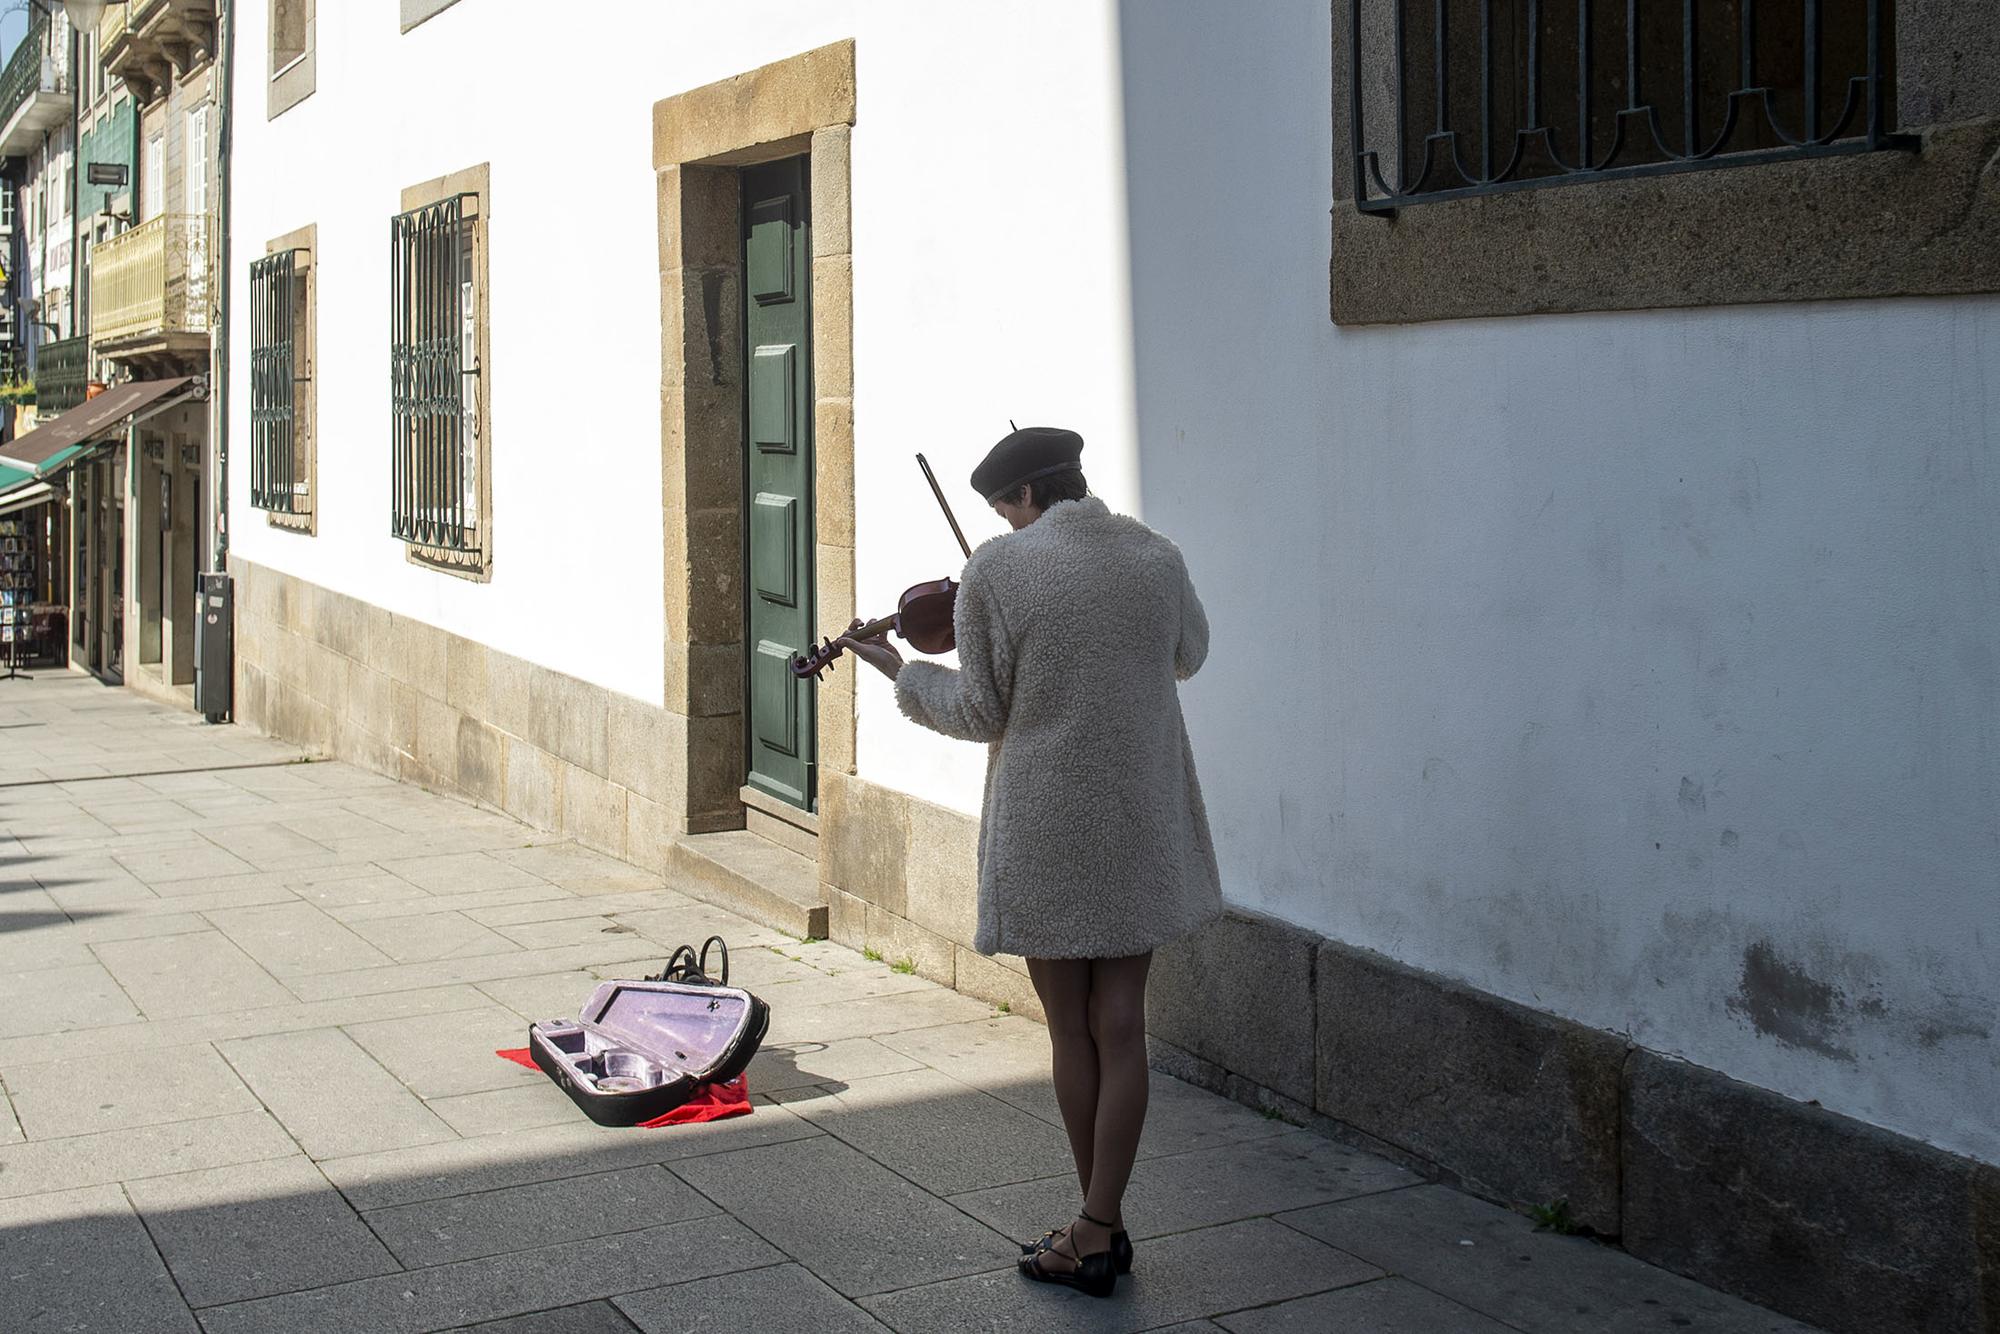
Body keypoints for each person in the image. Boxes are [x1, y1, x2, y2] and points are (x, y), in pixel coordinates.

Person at [836, 425, 1221, 1299]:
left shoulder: (998, 573)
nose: (1003, 526)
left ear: (1019, 499)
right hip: (1139, 816)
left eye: (1001, 511)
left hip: (1049, 824)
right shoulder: (1156, 557)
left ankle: (1094, 1227)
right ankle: (1100, 1222)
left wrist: (898, 669)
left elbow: (976, 711)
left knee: (1069, 1027)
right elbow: (1189, 655)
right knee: (1123, 1023)